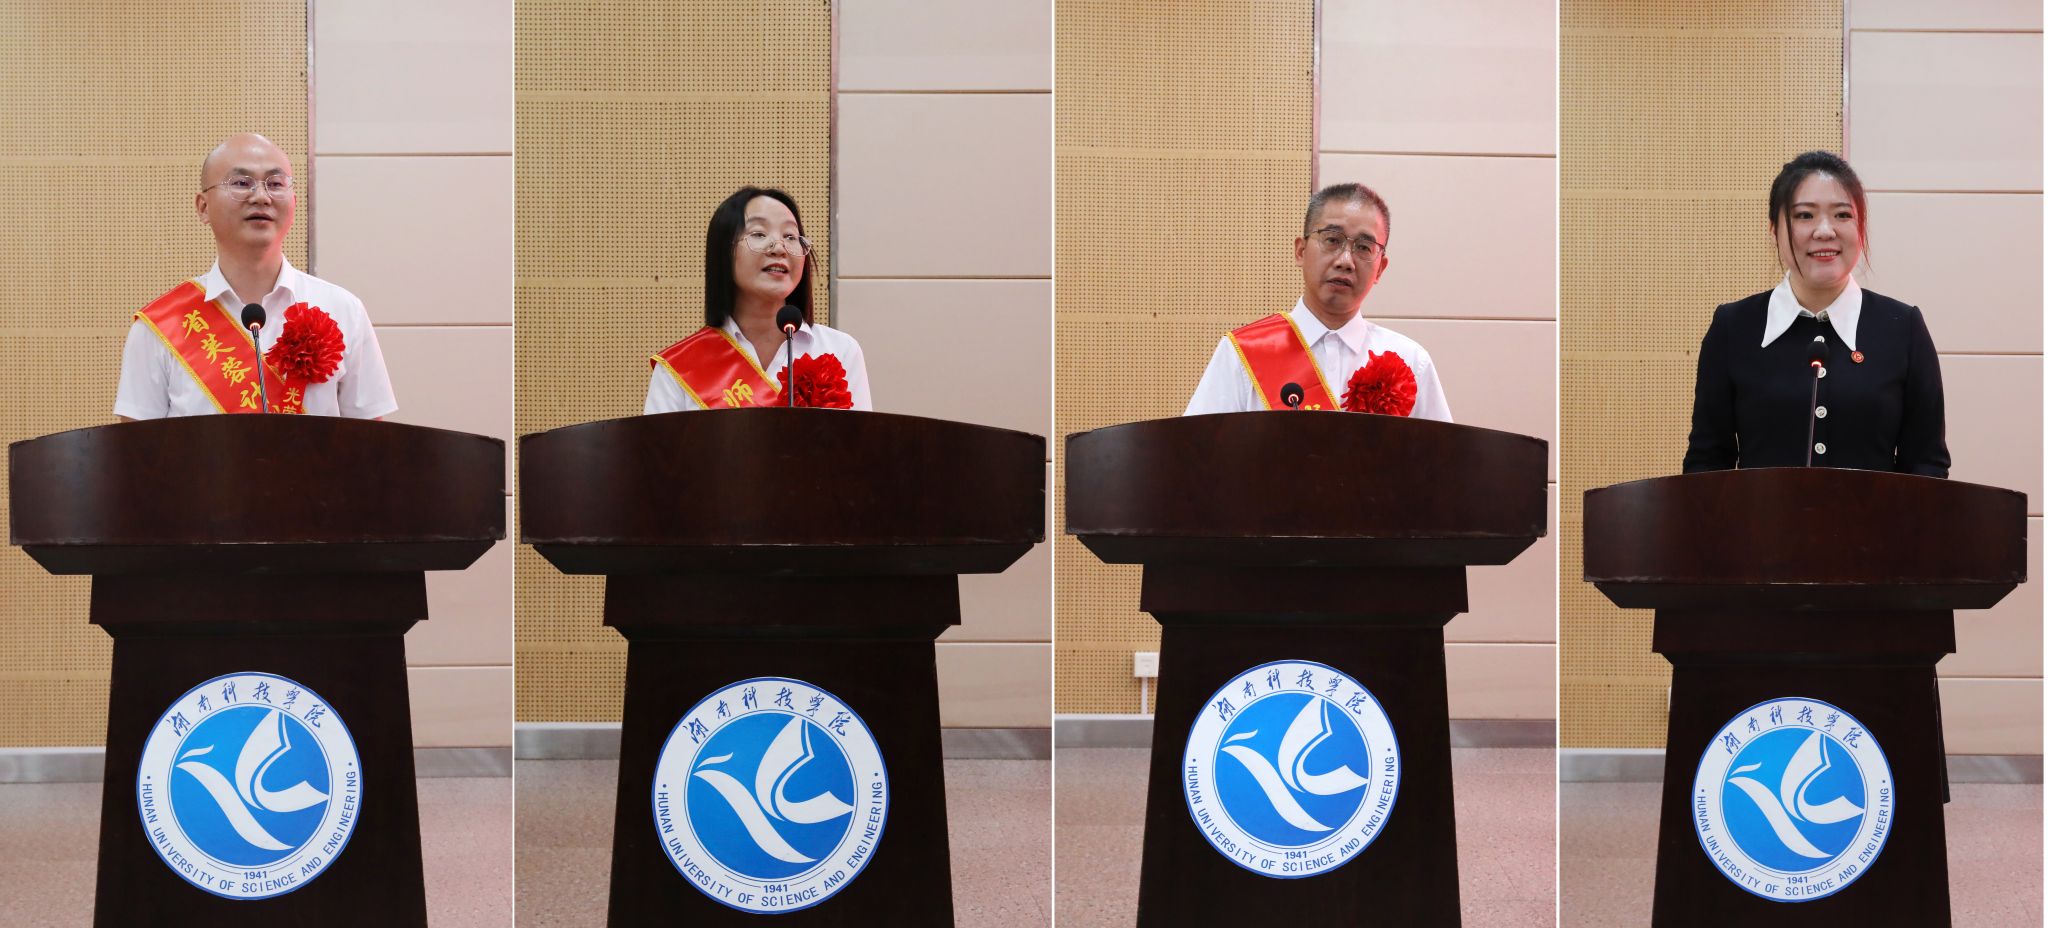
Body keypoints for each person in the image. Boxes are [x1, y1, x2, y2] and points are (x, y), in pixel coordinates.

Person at [1683, 151, 1947, 476]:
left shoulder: (1903, 328)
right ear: (1774, 229)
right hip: (1760, 514)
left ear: (1861, 227)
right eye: (1805, 215)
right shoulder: (1734, 327)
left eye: (1842, 215)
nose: (1824, 231)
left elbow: (1927, 466)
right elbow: (1706, 463)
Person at [115, 133, 395, 420]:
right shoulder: (161, 326)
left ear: (294, 202)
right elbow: (138, 446)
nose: (261, 196)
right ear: (203, 207)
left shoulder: (343, 310)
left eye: (275, 184)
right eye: (241, 183)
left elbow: (368, 440)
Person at [1184, 182, 1451, 420]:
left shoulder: (1412, 361)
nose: (1345, 261)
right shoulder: (1242, 353)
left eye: (1363, 247)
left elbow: (1439, 459)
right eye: (1332, 240)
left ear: (1380, 269)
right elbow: (1198, 454)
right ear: (1300, 251)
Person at [646, 187, 871, 412]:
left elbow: (860, 436)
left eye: (790, 236)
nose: (779, 248)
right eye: (759, 234)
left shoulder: (840, 350)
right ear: (724, 251)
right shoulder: (680, 366)